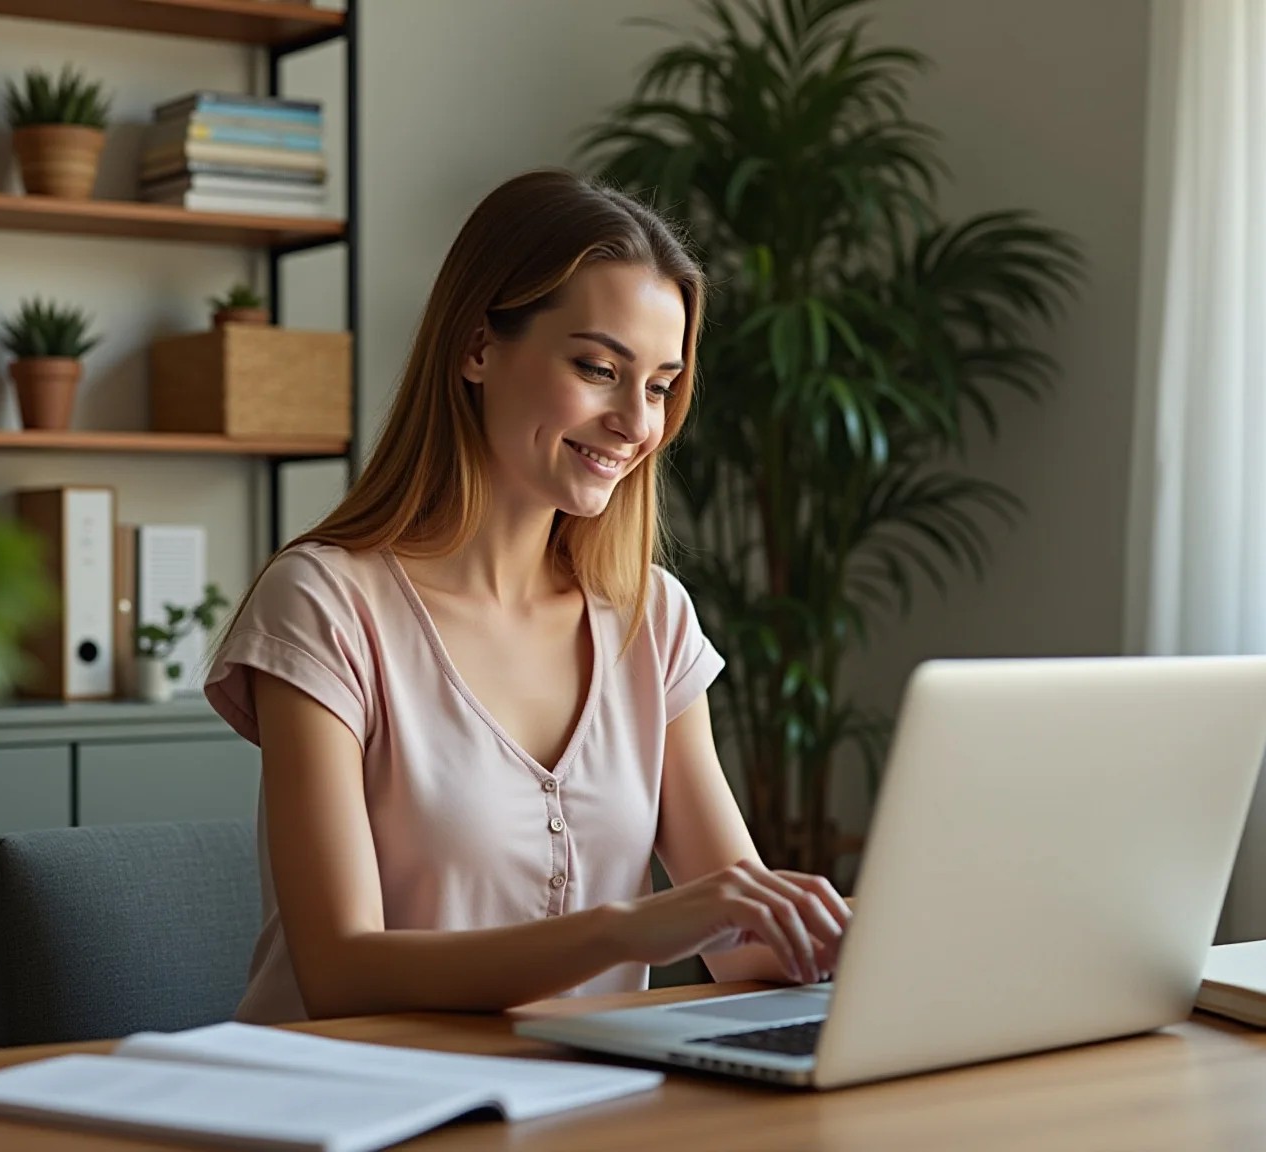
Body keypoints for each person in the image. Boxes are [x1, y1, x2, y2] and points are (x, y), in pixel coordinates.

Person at [203, 168, 851, 1024]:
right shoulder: (323, 604)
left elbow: (753, 951)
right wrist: (629, 930)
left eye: (659, 386)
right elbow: (340, 973)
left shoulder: (650, 619)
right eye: (598, 368)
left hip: (571, 1111)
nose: (636, 422)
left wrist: (873, 937)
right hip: (352, 1111)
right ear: (477, 348)